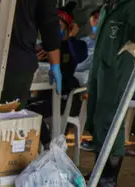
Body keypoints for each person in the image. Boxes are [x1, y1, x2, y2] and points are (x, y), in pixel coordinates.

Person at [85, 0, 135, 187]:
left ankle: (109, 177)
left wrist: (134, 39)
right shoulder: (109, 7)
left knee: (111, 118)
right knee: (98, 118)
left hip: (117, 67)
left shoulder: (132, 4)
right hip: (101, 68)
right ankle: (98, 173)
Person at [28, 6, 89, 148]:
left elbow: (79, 56)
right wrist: (33, 59)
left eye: (59, 27)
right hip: (45, 97)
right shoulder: (43, 48)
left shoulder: (76, 46)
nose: (54, 31)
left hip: (65, 99)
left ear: (69, 28)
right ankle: (43, 145)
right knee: (22, 107)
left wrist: (72, 38)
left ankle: (49, 146)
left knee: (31, 112)